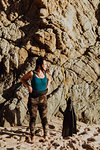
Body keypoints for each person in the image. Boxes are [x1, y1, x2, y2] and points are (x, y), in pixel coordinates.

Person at [20, 57, 51, 142]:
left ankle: (45, 135)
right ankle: (32, 135)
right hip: (33, 99)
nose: (46, 65)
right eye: (44, 64)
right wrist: (28, 86)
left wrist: (48, 86)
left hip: (43, 99)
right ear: (39, 65)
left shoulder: (46, 73)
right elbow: (22, 79)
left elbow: (49, 79)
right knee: (33, 117)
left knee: (44, 117)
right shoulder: (31, 73)